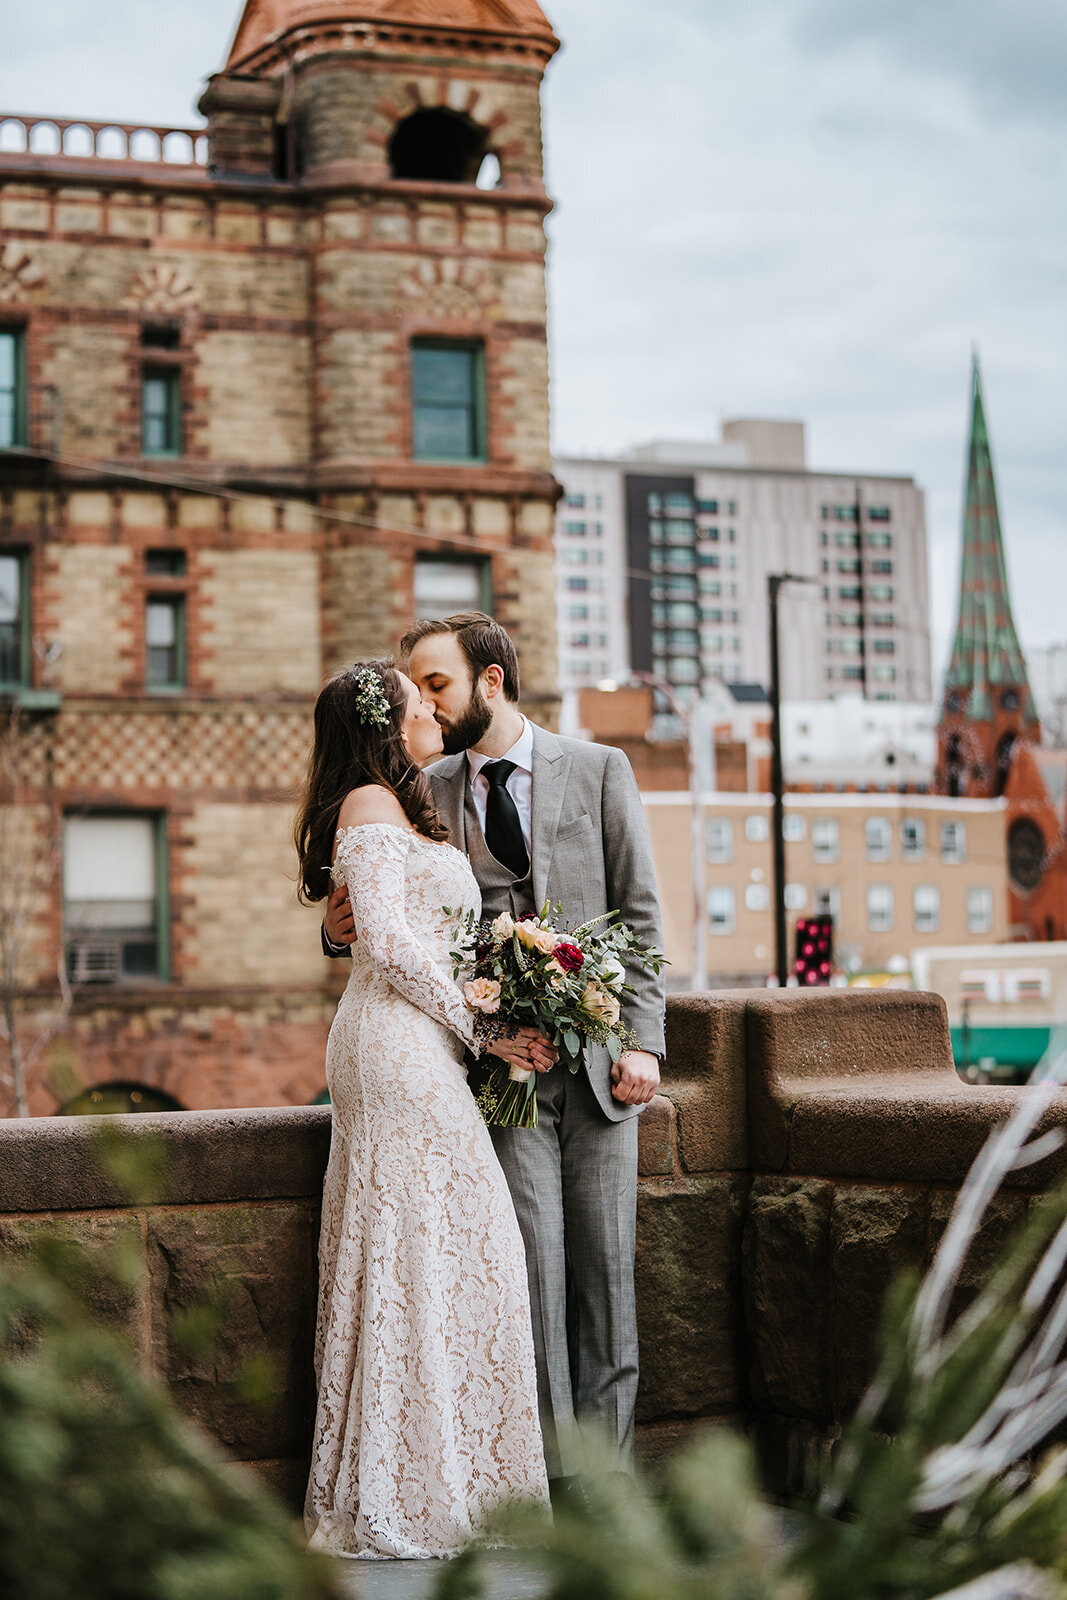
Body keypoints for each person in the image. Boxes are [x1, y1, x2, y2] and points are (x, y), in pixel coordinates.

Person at [323, 615, 667, 1498]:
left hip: (599, 1069)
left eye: (435, 683)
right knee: (529, 1278)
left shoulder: (598, 770)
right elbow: (383, 913)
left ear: (490, 682)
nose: (425, 701)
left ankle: (609, 1487)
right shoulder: (413, 785)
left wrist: (642, 1041)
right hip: (490, 1075)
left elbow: (637, 913)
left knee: (606, 1281)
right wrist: (333, 930)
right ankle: (547, 1481)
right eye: (414, 690)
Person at [297, 659, 551, 1559]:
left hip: (423, 1041)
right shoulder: (368, 805)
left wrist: (520, 990)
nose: (433, 709)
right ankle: (403, 1489)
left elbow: (418, 930)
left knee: (454, 1238)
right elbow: (393, 948)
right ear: (388, 722)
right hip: (395, 1045)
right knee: (424, 1240)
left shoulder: (404, 801)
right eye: (418, 701)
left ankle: (455, 1481)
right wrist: (483, 1031)